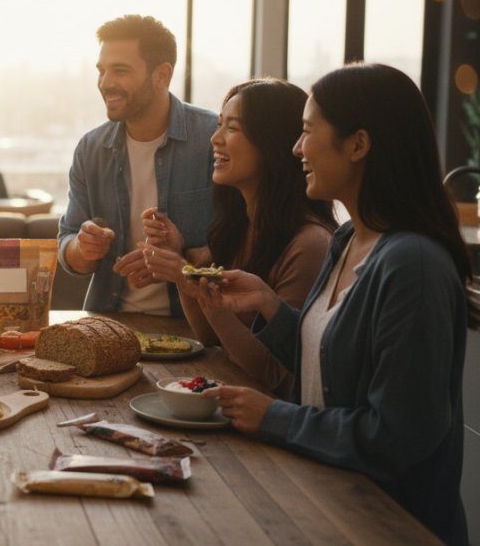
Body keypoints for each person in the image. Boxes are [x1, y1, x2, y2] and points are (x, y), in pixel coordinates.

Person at [198, 64, 474, 545]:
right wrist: (269, 305)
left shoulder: (413, 265)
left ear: (358, 145)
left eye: (307, 132)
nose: (296, 148)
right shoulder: (348, 238)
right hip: (324, 506)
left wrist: (273, 416)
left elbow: (397, 437)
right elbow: (327, 369)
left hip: (390, 525)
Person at [140, 79, 336, 396]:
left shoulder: (309, 243)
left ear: (271, 141)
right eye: (219, 125)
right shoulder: (239, 225)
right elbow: (209, 336)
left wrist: (190, 277)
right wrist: (181, 268)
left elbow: (273, 372)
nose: (215, 139)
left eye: (232, 128)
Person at [58, 14, 216, 317]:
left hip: (196, 327)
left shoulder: (213, 139)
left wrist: (178, 262)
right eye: (102, 71)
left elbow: (246, 244)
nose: (105, 83)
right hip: (108, 324)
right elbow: (68, 246)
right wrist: (83, 248)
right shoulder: (91, 149)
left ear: (162, 75)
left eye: (120, 71)